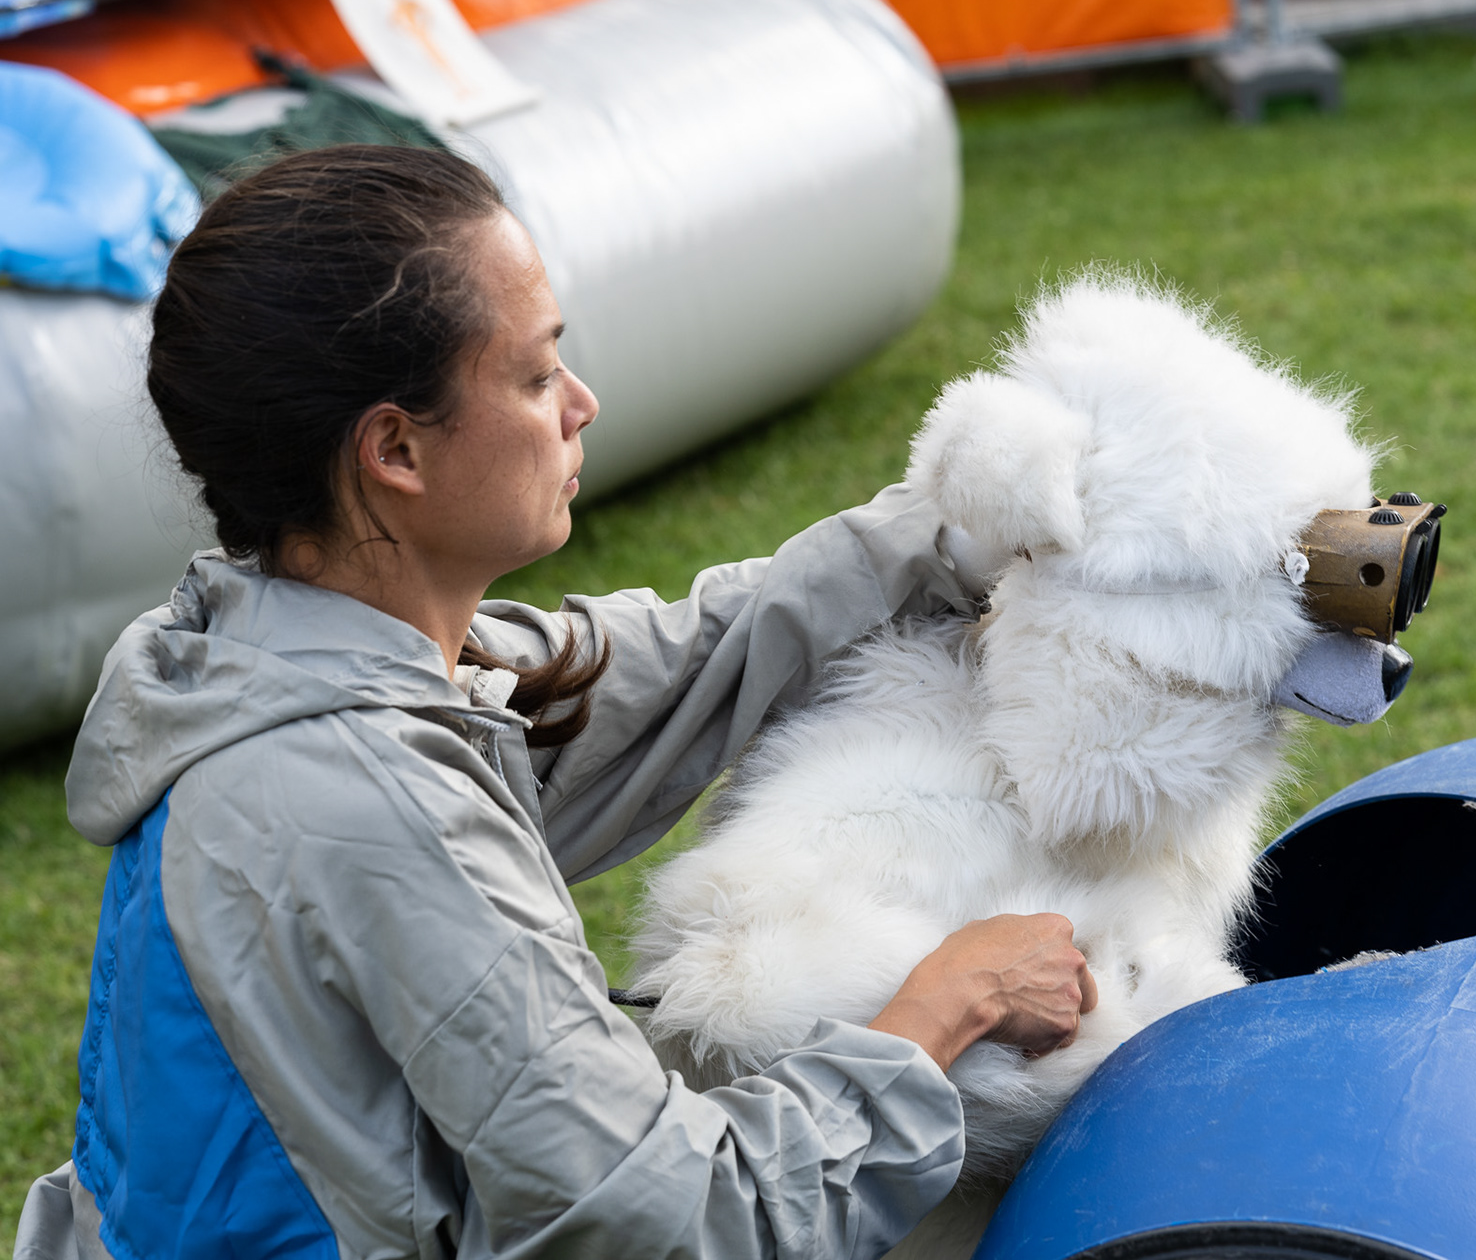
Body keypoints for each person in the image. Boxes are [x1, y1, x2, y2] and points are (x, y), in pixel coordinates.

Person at [13, 145, 1096, 1260]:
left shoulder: (277, 644)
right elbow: (668, 1219)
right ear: (393, 447)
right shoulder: (369, 801)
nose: (582, 403)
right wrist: (939, 1006)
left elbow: (677, 660)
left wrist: (958, 526)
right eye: (534, 379)